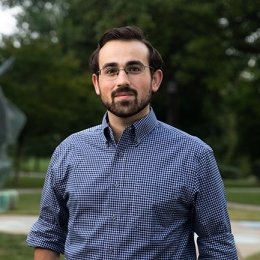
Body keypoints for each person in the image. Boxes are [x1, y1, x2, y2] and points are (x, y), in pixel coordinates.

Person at [27, 26, 238, 259]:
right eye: (111, 70)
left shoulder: (194, 155)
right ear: (97, 83)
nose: (122, 80)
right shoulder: (68, 151)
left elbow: (217, 244)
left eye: (134, 68)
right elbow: (49, 235)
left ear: (155, 79)